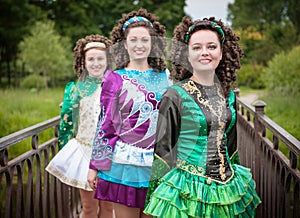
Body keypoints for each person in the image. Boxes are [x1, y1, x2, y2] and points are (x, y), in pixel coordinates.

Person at [143, 16, 261, 217]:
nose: (204, 52)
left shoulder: (228, 94)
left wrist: (238, 188)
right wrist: (155, 201)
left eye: (211, 46)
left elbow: (231, 145)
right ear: (187, 55)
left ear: (222, 53)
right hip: (188, 189)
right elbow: (163, 152)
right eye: (196, 47)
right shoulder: (175, 95)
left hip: (228, 187)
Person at [87, 8, 171, 218]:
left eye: (145, 40)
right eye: (133, 40)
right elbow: (106, 123)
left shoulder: (166, 76)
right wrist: (95, 166)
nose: (139, 45)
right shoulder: (114, 78)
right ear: (124, 44)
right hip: (125, 164)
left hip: (159, 163)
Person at [46, 34, 113, 218]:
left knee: (108, 209)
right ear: (83, 62)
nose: (96, 63)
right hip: (85, 154)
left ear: (108, 61)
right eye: (91, 59)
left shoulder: (116, 86)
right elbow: (67, 124)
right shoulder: (76, 90)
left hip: (110, 155)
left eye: (100, 59)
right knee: (89, 207)